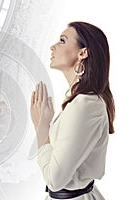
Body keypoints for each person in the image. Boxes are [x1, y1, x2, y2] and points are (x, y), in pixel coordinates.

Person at [30, 21, 115, 199]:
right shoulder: (79, 102)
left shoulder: (86, 105)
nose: (52, 47)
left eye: (62, 41)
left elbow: (54, 179)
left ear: (82, 53)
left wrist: (42, 127)